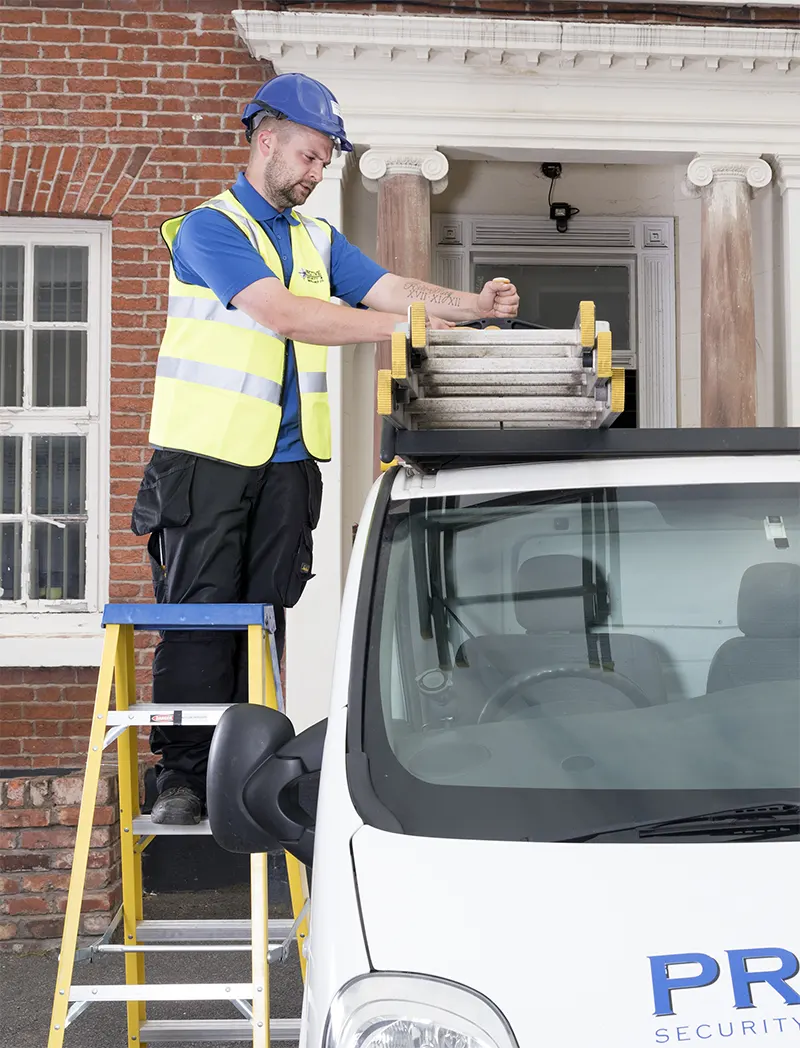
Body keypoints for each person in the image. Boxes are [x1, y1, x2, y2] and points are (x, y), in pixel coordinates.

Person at [131, 72, 519, 825]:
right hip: (204, 459)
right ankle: (180, 778)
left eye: (324, 163)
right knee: (202, 615)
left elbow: (383, 287)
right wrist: (404, 331)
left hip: (284, 464)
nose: (315, 174)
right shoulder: (209, 228)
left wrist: (467, 308)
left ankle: (234, 767)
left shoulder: (315, 239)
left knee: (264, 614)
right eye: (308, 157)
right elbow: (280, 315)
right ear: (265, 140)